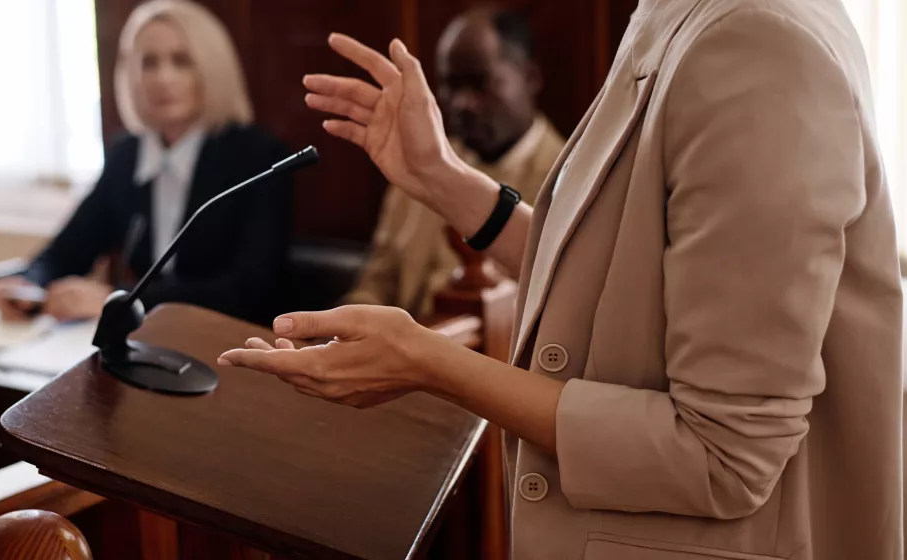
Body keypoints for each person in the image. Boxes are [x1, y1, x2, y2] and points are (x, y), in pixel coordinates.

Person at [220, 1, 903, 559]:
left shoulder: (756, 45)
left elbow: (722, 455)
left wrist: (431, 362)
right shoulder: (676, 17)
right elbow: (620, 277)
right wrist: (443, 179)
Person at [0, 0, 292, 326]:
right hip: (145, 339)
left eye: (181, 61)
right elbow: (69, 248)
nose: (163, 78)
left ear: (211, 68)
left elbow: (246, 289)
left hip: (227, 342)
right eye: (149, 62)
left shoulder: (257, 156)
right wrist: (30, 283)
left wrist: (118, 299)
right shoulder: (128, 153)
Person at [342, 7, 564, 316]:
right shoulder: (418, 161)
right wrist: (344, 331)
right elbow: (376, 283)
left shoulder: (569, 179)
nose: (463, 103)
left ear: (530, 77)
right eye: (451, 85)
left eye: (479, 83)